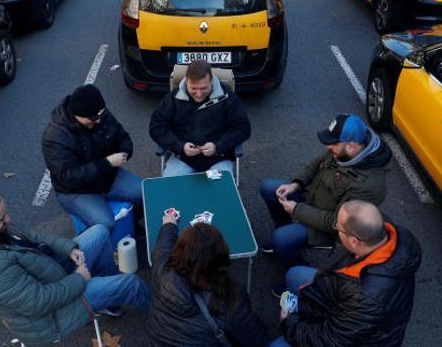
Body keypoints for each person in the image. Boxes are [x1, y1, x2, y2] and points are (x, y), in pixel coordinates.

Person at [0, 186, 151, 346]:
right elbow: (41, 302)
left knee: (101, 233)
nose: (9, 220)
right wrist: (80, 279)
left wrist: (68, 248)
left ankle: (107, 302)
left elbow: (32, 236)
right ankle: (166, 319)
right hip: (54, 315)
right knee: (130, 283)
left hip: (55, 272)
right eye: (2, 219)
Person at [269, 201, 421, 347]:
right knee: (294, 274)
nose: (335, 228)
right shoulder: (383, 234)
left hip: (352, 336)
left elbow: (328, 341)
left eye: (338, 226)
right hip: (342, 298)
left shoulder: (365, 300)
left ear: (354, 241)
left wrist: (289, 322)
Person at [259, 113, 391, 270]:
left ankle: (296, 273)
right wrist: (296, 184)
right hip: (311, 200)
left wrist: (297, 210)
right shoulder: (343, 150)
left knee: (281, 239)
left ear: (352, 146)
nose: (328, 147)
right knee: (268, 188)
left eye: (333, 144)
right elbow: (317, 164)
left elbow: (336, 223)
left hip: (328, 228)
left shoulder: (369, 186)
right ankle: (284, 230)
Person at [147, 213, 270, 346]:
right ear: (221, 258)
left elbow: (162, 248)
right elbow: (257, 341)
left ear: (179, 252)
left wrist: (169, 226)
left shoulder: (163, 270)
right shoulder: (231, 299)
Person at [42, 84, 142, 231]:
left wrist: (125, 151)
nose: (99, 121)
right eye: (93, 118)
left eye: (100, 116)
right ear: (78, 115)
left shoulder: (98, 114)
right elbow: (69, 177)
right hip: (76, 191)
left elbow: (121, 135)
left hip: (107, 178)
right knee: (106, 224)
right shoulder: (55, 137)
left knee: (146, 193)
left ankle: (133, 228)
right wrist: (107, 164)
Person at [149, 60, 251, 177]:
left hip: (219, 158)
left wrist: (218, 146)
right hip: (183, 158)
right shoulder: (173, 98)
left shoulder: (227, 97)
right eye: (193, 88)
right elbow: (156, 127)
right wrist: (180, 146)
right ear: (186, 82)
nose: (198, 94)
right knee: (171, 190)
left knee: (220, 192)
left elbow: (243, 128)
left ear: (211, 81)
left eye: (203, 88)